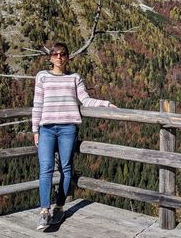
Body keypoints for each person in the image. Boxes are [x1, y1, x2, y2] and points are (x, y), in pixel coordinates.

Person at [32, 42, 116, 230]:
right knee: (45, 168)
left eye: (62, 54)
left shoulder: (74, 78)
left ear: (68, 57)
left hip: (68, 128)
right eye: (55, 54)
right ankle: (44, 211)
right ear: (50, 57)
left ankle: (60, 207)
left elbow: (85, 99)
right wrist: (35, 130)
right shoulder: (42, 77)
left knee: (66, 168)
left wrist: (105, 104)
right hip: (46, 128)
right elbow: (37, 104)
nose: (59, 57)